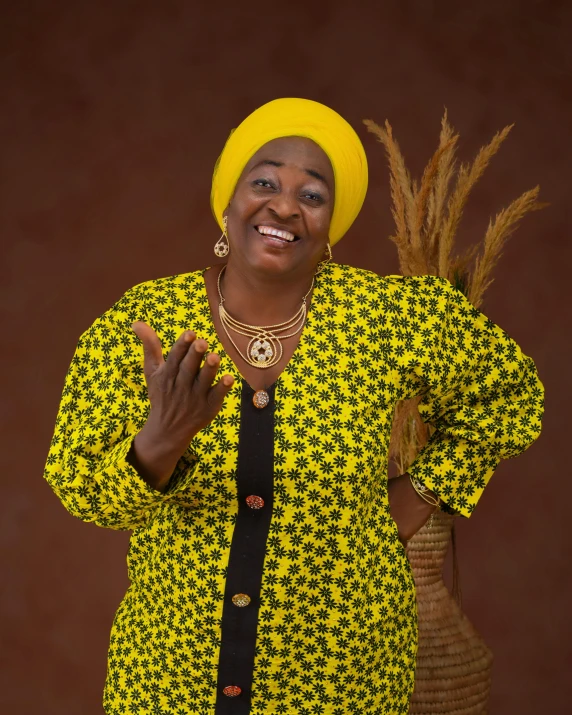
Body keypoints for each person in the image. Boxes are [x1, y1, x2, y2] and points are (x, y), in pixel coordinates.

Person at [43, 97, 544, 715]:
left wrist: (420, 493)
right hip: (171, 678)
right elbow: (82, 490)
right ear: (227, 201)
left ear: (332, 221)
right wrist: (160, 440)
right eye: (264, 182)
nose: (284, 205)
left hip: (342, 677)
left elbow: (511, 396)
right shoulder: (143, 322)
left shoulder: (388, 316)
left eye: (313, 195)